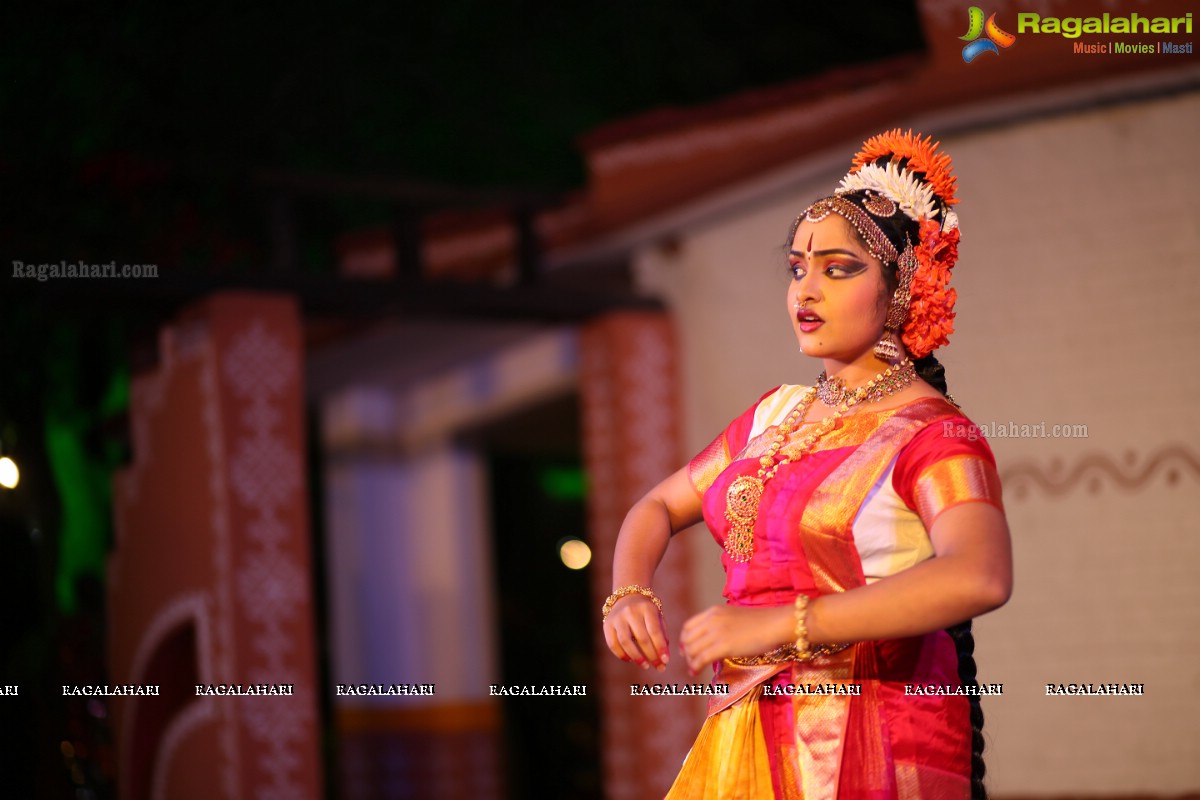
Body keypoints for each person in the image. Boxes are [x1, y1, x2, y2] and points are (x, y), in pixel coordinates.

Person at [601, 130, 1012, 799]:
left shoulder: (933, 433)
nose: (807, 290)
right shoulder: (774, 416)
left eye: (839, 269)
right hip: (749, 735)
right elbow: (655, 507)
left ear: (903, 286)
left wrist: (781, 627)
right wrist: (628, 590)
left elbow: (980, 575)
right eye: (797, 269)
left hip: (873, 742)